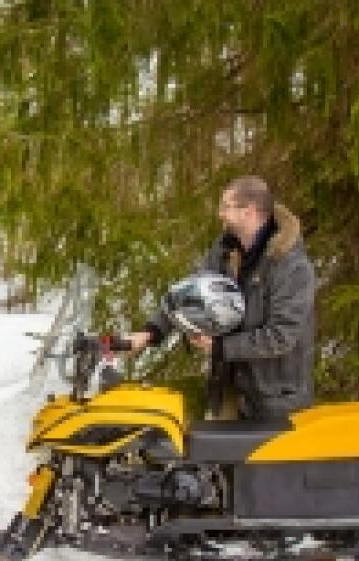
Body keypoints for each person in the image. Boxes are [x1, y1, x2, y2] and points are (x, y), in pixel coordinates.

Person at [128, 175, 315, 420]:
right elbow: (189, 295)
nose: (221, 214)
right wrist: (151, 332)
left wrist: (221, 347)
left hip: (276, 399)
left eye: (226, 206)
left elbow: (282, 336)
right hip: (230, 389)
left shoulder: (291, 266)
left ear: (248, 211)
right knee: (218, 456)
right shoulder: (224, 250)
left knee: (260, 459)